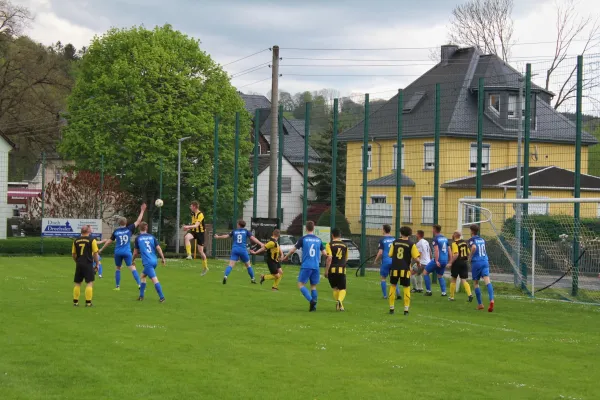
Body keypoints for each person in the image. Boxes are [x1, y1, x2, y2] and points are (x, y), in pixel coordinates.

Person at [282, 221, 330, 312]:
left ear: (306, 229)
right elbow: (325, 254)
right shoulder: (318, 240)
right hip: (316, 266)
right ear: (313, 228)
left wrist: (285, 257)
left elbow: (293, 250)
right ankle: (313, 308)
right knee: (313, 286)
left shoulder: (303, 239)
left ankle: (311, 301)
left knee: (300, 284)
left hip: (306, 265)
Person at [99, 204, 146, 290]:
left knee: (118, 268)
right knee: (132, 267)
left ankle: (117, 286)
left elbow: (109, 241)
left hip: (118, 252)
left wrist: (101, 249)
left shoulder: (116, 232)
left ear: (119, 223)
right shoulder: (129, 229)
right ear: (126, 222)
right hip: (127, 252)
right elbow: (139, 221)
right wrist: (142, 210)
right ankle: (139, 284)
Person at [215, 220, 264, 285]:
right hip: (243, 250)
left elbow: (226, 236)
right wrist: (260, 243)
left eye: (237, 223)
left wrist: (218, 237)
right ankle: (253, 279)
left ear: (239, 225)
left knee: (230, 265)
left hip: (235, 250)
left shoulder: (234, 231)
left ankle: (225, 276)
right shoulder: (246, 231)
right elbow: (253, 238)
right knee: (248, 265)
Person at [388, 226, 420, 315]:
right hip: (405, 269)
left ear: (401, 233)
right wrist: (418, 263)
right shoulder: (411, 244)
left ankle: (391, 308)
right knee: (406, 288)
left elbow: (390, 254)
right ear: (409, 234)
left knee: (393, 286)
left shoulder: (395, 242)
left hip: (394, 268)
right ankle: (406, 310)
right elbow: (416, 257)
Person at [133, 222, 166, 302]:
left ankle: (162, 297)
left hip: (148, 263)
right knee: (142, 276)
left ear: (139, 228)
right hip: (154, 261)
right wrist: (163, 258)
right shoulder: (152, 237)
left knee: (154, 279)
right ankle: (141, 296)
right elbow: (158, 248)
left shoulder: (138, 238)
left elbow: (135, 252)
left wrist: (132, 260)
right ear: (146, 228)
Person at [468, 224, 495, 312]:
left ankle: (480, 304)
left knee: (476, 283)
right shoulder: (482, 239)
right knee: (487, 281)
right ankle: (491, 300)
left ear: (472, 231)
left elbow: (474, 247)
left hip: (477, 262)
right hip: (485, 261)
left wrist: (470, 257)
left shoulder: (472, 240)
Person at [72, 225, 100, 307]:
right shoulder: (92, 240)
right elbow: (95, 253)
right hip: (88, 263)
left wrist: (77, 261)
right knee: (89, 282)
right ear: (88, 231)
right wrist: (97, 263)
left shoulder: (76, 241)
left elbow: (73, 254)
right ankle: (88, 302)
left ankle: (75, 302)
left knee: (77, 283)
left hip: (79, 263)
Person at [374, 224, 400, 300]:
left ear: (384, 230)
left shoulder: (382, 240)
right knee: (394, 278)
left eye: (382, 229)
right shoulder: (394, 239)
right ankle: (398, 293)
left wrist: (376, 260)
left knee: (383, 278)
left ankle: (385, 296)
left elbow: (380, 252)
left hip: (386, 261)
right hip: (394, 261)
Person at [324, 228, 348, 312]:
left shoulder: (329, 244)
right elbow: (346, 259)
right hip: (342, 270)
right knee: (342, 289)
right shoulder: (345, 245)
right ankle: (340, 301)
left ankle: (339, 304)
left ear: (332, 235)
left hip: (332, 270)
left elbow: (329, 258)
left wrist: (326, 270)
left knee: (335, 288)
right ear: (340, 235)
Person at [183, 201, 208, 276]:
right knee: (187, 237)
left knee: (200, 251)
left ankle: (205, 267)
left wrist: (187, 226)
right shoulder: (193, 214)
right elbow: (193, 224)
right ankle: (189, 255)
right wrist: (188, 228)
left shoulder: (200, 214)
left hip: (200, 233)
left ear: (194, 206)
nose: (190, 207)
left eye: (191, 206)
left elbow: (197, 225)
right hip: (194, 232)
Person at [447, 231, 473, 302]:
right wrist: (468, 259)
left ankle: (451, 297)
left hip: (457, 262)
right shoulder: (464, 242)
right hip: (464, 262)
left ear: (455, 235)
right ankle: (470, 294)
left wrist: (450, 262)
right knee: (464, 280)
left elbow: (456, 254)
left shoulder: (454, 243)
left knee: (453, 279)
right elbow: (468, 252)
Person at [423, 224, 449, 297]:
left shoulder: (436, 239)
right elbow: (449, 250)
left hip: (438, 259)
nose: (432, 230)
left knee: (425, 272)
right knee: (440, 276)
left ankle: (428, 291)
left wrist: (437, 261)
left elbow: (436, 250)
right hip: (445, 260)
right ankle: (444, 292)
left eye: (432, 229)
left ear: (434, 229)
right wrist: (449, 261)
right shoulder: (445, 238)